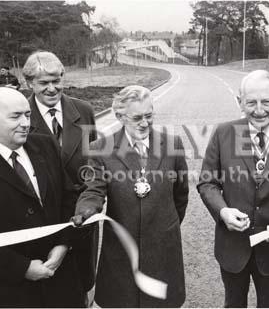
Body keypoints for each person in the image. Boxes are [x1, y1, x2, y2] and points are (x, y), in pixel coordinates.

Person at [198, 70, 269, 307]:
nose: (259, 110)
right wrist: (223, 212)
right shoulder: (223, 133)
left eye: (266, 102)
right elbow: (207, 182)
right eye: (251, 102)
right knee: (233, 303)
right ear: (239, 101)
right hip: (232, 247)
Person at [72, 85, 189, 307]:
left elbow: (181, 194)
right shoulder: (101, 148)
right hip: (121, 248)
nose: (144, 123)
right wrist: (85, 211)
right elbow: (94, 190)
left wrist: (166, 225)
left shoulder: (173, 144)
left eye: (149, 116)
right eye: (137, 118)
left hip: (164, 246)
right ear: (119, 116)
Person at [22, 50, 97, 301]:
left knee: (83, 280)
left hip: (82, 216)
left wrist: (92, 200)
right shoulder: (18, 116)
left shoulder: (84, 110)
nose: (52, 89)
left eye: (57, 81)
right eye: (44, 83)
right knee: (50, 286)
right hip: (44, 220)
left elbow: (93, 159)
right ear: (28, 83)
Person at [0, 87, 84, 307]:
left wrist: (64, 245)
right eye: (15, 117)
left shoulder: (45, 144)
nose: (26, 123)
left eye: (27, 115)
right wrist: (22, 269)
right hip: (12, 291)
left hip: (62, 279)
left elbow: (69, 198)